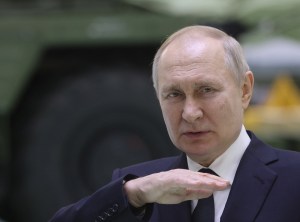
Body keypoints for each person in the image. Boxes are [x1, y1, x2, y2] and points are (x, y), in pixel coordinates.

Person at [49, 25, 300, 222]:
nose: (190, 113)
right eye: (174, 95)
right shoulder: (139, 188)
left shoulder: (293, 178)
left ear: (245, 90)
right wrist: (134, 195)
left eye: (206, 90)